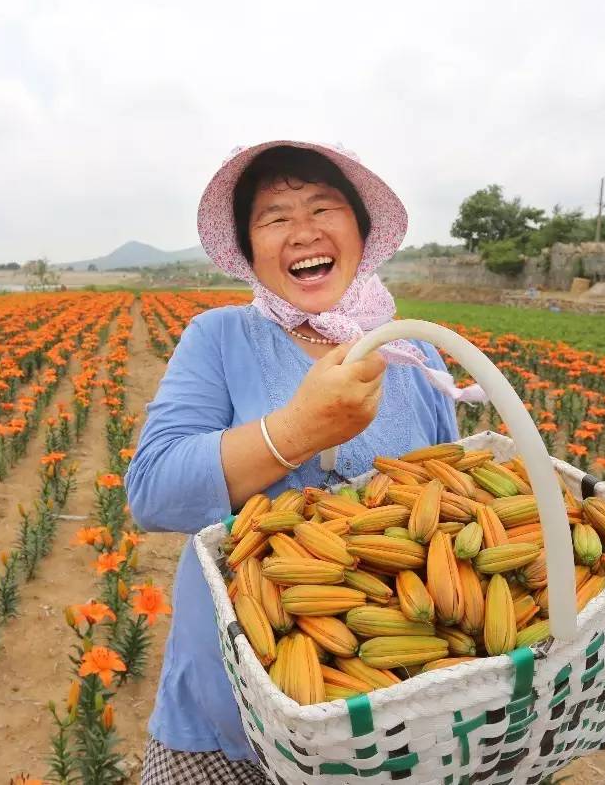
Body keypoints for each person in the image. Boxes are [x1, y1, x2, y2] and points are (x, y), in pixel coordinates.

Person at [127, 141, 485, 784]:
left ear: (362, 231)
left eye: (325, 207)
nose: (303, 231)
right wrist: (296, 430)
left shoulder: (416, 358)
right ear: (250, 250)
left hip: (389, 720)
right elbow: (152, 493)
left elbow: (450, 508)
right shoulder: (219, 338)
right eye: (274, 217)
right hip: (231, 712)